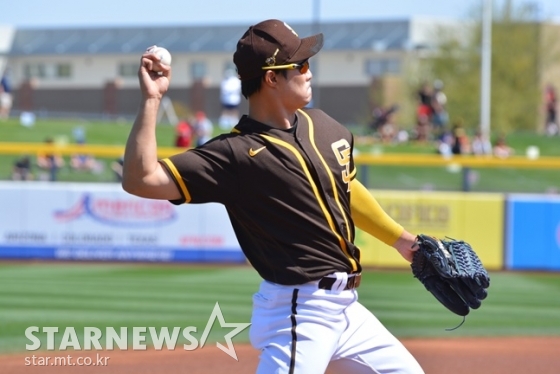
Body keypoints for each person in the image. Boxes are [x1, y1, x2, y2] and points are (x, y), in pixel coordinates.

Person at [122, 19, 424, 374]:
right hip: (299, 308)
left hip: (348, 310)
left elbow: (344, 188)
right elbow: (141, 179)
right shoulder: (234, 154)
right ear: (271, 78)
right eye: (301, 64)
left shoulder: (324, 126)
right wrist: (152, 100)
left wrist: (402, 241)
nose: (309, 71)